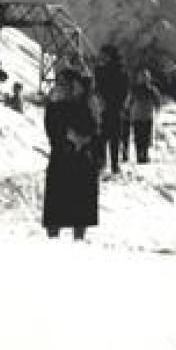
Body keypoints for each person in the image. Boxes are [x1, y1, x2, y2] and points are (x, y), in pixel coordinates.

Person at [42, 71, 100, 241]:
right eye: (60, 84)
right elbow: (52, 130)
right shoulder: (55, 106)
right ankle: (53, 240)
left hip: (82, 158)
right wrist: (67, 138)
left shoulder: (86, 104)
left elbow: (94, 128)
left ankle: (79, 240)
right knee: (56, 206)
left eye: (67, 84)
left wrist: (83, 139)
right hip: (62, 156)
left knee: (80, 207)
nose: (62, 88)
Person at [94, 44, 131, 176]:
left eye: (104, 55)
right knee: (114, 137)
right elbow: (125, 90)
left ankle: (102, 164)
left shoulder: (101, 70)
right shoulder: (122, 70)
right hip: (115, 109)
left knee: (103, 137)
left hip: (107, 108)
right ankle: (114, 165)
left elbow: (97, 87)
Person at [128, 68, 165, 165]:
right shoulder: (151, 89)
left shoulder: (135, 89)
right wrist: (157, 108)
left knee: (139, 136)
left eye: (144, 77)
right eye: (143, 77)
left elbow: (128, 102)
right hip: (146, 116)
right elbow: (158, 101)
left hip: (138, 116)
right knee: (145, 136)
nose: (143, 79)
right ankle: (144, 154)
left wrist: (127, 109)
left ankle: (140, 155)